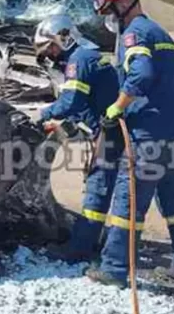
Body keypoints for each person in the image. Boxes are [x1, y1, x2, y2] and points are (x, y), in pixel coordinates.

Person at [87, 0, 174, 295]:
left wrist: (117, 107)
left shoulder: (135, 33)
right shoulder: (160, 33)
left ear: (124, 4)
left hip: (148, 138)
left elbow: (141, 74)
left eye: (110, 11)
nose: (110, 18)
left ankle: (113, 269)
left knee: (129, 204)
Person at [34, 14, 122, 262]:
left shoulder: (78, 61)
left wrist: (41, 114)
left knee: (98, 188)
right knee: (101, 187)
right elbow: (87, 103)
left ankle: (80, 250)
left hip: (111, 135)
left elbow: (71, 102)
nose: (49, 54)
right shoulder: (87, 55)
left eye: (49, 48)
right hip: (108, 130)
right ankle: (95, 241)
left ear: (61, 39)